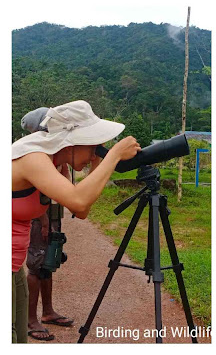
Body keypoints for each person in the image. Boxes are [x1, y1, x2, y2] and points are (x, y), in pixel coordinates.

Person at [12, 100, 140, 343]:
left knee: (17, 339)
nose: (97, 151)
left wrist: (98, 162)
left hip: (14, 261)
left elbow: (80, 210)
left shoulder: (55, 162)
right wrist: (113, 156)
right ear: (70, 141)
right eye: (94, 146)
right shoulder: (33, 158)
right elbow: (80, 202)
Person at [19, 108, 74, 341]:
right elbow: (35, 193)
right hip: (39, 217)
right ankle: (31, 320)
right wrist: (42, 221)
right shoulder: (33, 154)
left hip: (52, 214)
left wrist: (62, 163)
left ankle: (48, 312)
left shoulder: (51, 153)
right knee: (36, 264)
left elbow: (66, 186)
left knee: (48, 262)